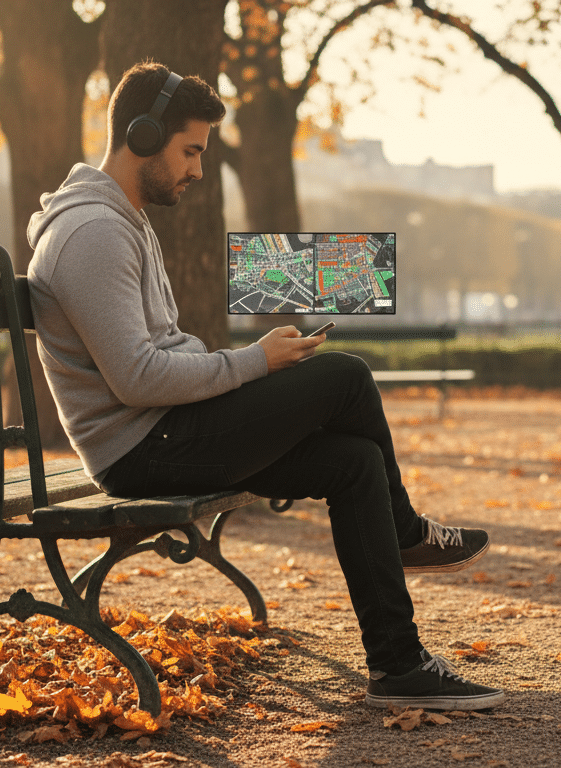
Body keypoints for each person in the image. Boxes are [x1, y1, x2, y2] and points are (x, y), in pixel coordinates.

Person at [25, 60, 504, 711]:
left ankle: (397, 664)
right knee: (346, 374)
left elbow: (157, 356)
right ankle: (406, 532)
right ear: (142, 136)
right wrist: (253, 363)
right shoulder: (94, 232)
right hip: (143, 449)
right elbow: (137, 377)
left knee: (355, 462)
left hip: (165, 432)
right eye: (190, 150)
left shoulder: (121, 220)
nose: (198, 169)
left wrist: (245, 366)